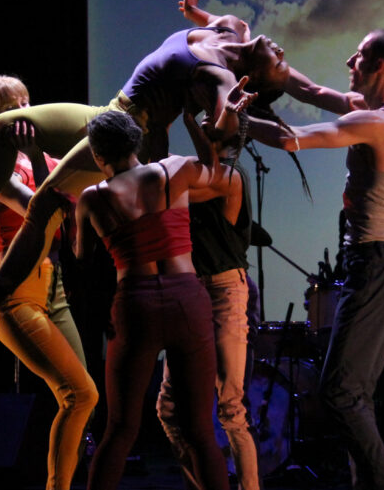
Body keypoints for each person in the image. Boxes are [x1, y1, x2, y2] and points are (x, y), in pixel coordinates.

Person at [0, 0, 357, 349]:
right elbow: (315, 87)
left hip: (127, 132)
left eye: (280, 66)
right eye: (284, 58)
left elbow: (276, 104)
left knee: (45, 201)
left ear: (251, 77)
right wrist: (194, 13)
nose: (283, 54)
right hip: (109, 111)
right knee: (4, 124)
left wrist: (236, 118)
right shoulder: (233, 27)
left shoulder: (219, 79)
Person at [249, 29, 384, 490]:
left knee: (340, 393)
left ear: (380, 66)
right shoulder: (376, 113)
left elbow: (293, 139)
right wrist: (276, 72)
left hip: (381, 264)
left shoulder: (380, 123)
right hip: (377, 264)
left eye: (359, 55)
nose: (349, 60)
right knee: (353, 393)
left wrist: (235, 122)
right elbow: (312, 92)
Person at [74, 103, 250, 490]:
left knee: (120, 429)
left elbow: (82, 259)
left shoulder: (92, 198)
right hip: (187, 298)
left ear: (97, 153)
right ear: (135, 141)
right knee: (201, 431)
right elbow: (221, 174)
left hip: (135, 304)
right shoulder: (174, 170)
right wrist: (196, 129)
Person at [0, 75, 97, 490]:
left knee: (81, 399)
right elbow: (39, 208)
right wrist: (38, 157)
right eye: (14, 106)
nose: (27, 112)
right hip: (16, 291)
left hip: (53, 285)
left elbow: (79, 201)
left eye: (27, 101)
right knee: (80, 395)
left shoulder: (38, 156)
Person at [156, 136, 260, 490]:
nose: (204, 118)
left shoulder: (232, 175)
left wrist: (186, 123)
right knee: (169, 407)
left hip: (223, 290)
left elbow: (173, 189)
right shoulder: (186, 170)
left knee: (230, 407)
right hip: (187, 290)